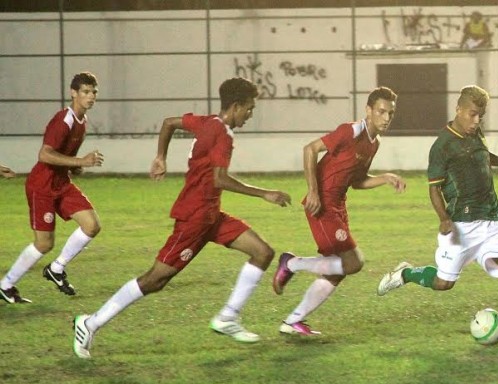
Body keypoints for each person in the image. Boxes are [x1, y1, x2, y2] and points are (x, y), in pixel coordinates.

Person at [72, 77, 291, 358]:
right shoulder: (222, 134)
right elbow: (220, 178)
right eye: (249, 109)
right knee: (155, 280)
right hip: (195, 218)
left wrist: (160, 156)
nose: (250, 115)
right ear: (236, 106)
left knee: (262, 252)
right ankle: (90, 323)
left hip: (211, 215)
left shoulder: (207, 122)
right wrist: (264, 193)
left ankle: (228, 317)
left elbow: (168, 123)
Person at [376, 85, 498, 345]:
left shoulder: (475, 134)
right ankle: (405, 274)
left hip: (493, 219)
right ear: (459, 110)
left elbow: (481, 156)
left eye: (481, 116)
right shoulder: (442, 146)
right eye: (472, 115)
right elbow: (434, 190)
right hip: (461, 227)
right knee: (443, 283)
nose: (476, 121)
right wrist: (443, 219)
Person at [272, 87, 406, 336]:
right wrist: (313, 192)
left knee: (337, 271)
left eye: (391, 113)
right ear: (368, 110)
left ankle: (293, 321)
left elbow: (357, 181)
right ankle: (291, 263)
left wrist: (385, 178)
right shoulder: (350, 131)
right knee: (353, 262)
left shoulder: (373, 144)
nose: (386, 118)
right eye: (381, 111)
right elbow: (309, 149)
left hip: (338, 206)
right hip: (322, 205)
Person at [0, 72, 104, 305]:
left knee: (92, 225)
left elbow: (63, 155)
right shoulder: (63, 120)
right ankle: (6, 285)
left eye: (94, 92)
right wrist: (80, 162)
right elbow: (45, 154)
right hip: (43, 186)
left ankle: (56, 268)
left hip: (61, 183)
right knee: (45, 243)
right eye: (86, 92)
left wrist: (75, 166)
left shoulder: (82, 121)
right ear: (73, 93)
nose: (91, 97)